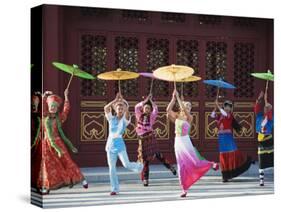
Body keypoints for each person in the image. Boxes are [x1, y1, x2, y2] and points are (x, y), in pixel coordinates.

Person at [167, 89, 219, 197]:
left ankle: (211, 164)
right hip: (177, 143)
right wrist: (173, 98)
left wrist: (178, 98)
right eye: (187, 106)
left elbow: (185, 112)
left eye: (190, 107)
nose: (188, 108)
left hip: (186, 142)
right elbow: (168, 110)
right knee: (181, 166)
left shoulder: (189, 118)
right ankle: (184, 189)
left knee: (195, 162)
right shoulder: (177, 116)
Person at [37, 89, 88, 194]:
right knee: (47, 165)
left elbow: (66, 110)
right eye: (51, 106)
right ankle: (47, 186)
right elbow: (41, 109)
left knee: (67, 161)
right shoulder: (45, 117)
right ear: (49, 107)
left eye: (55, 107)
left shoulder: (60, 118)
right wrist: (44, 97)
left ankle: (82, 179)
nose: (53, 108)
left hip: (58, 143)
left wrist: (66, 97)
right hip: (47, 144)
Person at [104, 92, 143, 195]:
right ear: (115, 110)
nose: (120, 110)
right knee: (112, 168)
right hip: (110, 145)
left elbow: (127, 113)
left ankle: (139, 166)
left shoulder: (125, 121)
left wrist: (123, 102)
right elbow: (106, 108)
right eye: (118, 109)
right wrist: (115, 100)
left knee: (126, 164)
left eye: (121, 109)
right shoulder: (111, 119)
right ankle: (114, 189)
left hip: (120, 145)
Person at [135, 94, 176, 186]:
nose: (147, 110)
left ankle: (170, 167)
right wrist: (146, 100)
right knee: (145, 160)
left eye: (149, 108)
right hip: (142, 139)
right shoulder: (139, 115)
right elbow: (136, 107)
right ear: (143, 109)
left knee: (158, 155)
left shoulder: (152, 117)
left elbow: (156, 109)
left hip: (150, 137)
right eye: (145, 108)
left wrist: (151, 102)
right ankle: (146, 179)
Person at [211, 99, 252, 182]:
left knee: (231, 154)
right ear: (224, 106)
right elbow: (212, 115)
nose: (227, 108)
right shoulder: (220, 116)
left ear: (230, 109)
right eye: (226, 106)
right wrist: (215, 107)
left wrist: (218, 106)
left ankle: (232, 172)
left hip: (228, 137)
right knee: (223, 155)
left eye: (229, 107)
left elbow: (224, 113)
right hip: (221, 138)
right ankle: (225, 176)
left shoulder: (229, 115)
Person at [254, 91, 273, 186]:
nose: (265, 108)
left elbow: (268, 115)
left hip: (268, 140)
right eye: (265, 108)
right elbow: (256, 108)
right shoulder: (259, 116)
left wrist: (266, 100)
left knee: (272, 159)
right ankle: (261, 180)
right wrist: (260, 98)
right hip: (261, 140)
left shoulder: (270, 117)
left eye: (267, 108)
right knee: (261, 160)